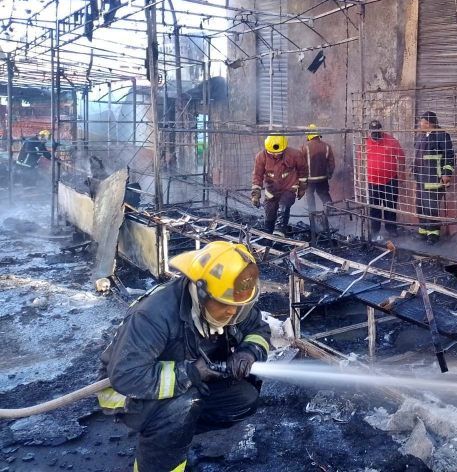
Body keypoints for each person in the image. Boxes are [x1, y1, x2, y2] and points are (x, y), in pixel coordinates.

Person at [97, 241, 271, 472]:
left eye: (238, 307)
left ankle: (174, 431)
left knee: (243, 398)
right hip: (126, 391)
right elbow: (127, 375)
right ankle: (160, 456)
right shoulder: (153, 315)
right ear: (201, 292)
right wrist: (190, 373)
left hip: (189, 381)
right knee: (182, 407)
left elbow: (259, 330)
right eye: (225, 305)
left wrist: (249, 352)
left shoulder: (233, 302)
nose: (232, 312)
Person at [251, 135, 308, 236]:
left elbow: (303, 171)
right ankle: (268, 234)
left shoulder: (295, 155)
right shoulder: (261, 157)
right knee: (269, 214)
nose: (275, 155)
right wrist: (256, 194)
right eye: (272, 153)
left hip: (289, 188)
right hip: (271, 190)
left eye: (278, 153)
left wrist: (302, 188)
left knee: (284, 206)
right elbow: (257, 176)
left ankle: (279, 233)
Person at [412, 111, 454, 244]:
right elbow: (417, 154)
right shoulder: (421, 136)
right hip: (421, 177)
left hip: (434, 178)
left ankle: (433, 234)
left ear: (430, 123)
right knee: (420, 204)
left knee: (431, 205)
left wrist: (446, 173)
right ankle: (423, 230)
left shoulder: (442, 135)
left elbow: (449, 155)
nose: (420, 124)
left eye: (423, 122)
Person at [364, 120, 405, 238]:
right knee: (374, 206)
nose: (375, 136)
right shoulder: (366, 142)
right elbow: (361, 159)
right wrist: (361, 176)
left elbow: (401, 156)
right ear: (370, 132)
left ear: (381, 130)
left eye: (377, 132)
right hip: (373, 181)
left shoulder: (391, 141)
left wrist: (402, 173)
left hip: (390, 180)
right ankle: (374, 230)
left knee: (390, 205)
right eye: (373, 133)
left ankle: (391, 229)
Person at [300, 124, 335, 215]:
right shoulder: (327, 146)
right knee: (324, 193)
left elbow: (300, 163)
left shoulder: (305, 146)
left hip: (309, 179)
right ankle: (331, 211)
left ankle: (312, 214)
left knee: (309, 195)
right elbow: (331, 163)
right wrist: (329, 174)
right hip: (323, 178)